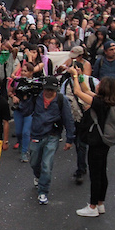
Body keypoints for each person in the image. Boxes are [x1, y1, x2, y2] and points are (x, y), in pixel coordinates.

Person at [67, 68, 115, 217]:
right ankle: (100, 203)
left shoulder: (99, 103)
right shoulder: (108, 101)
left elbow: (78, 92)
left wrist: (75, 76)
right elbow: (85, 90)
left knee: (96, 174)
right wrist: (81, 76)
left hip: (97, 142)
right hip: (105, 141)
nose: (97, 85)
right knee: (102, 172)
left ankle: (92, 206)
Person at [29, 76, 75, 205]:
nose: (50, 92)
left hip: (52, 135)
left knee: (47, 165)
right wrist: (23, 100)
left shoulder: (61, 100)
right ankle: (38, 176)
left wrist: (69, 139)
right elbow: (27, 111)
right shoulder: (36, 97)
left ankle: (43, 191)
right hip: (37, 134)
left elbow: (68, 119)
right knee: (34, 161)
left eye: (52, 90)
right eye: (48, 89)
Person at [9, 62, 36, 162]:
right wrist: (13, 96)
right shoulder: (16, 81)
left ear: (31, 72)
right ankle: (20, 144)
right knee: (18, 132)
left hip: (29, 109)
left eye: (26, 71)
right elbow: (9, 91)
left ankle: (24, 152)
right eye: (22, 71)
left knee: (26, 132)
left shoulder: (35, 83)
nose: (23, 73)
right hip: (18, 109)